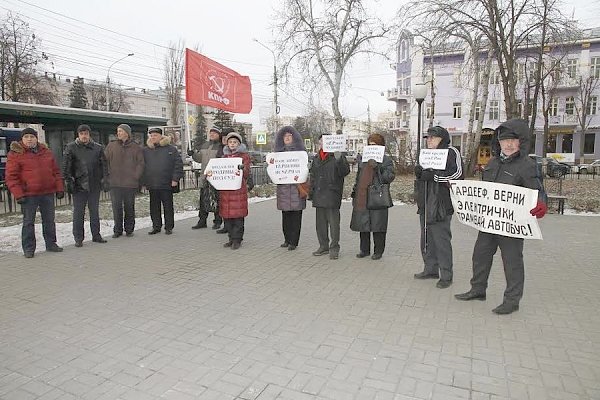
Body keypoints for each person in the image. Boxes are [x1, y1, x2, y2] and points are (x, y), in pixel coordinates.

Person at [455, 118, 547, 315]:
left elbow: (537, 190)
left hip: (512, 224)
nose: (508, 144)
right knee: (480, 255)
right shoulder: (493, 162)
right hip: (489, 221)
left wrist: (541, 204)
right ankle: (478, 289)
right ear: (499, 142)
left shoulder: (526, 165)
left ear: (520, 142)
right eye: (504, 140)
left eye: (513, 140)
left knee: (512, 261)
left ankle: (512, 300)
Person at [413, 126, 464, 288]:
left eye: (433, 138)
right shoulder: (426, 154)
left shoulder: (451, 152)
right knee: (427, 238)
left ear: (442, 139)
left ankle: (446, 274)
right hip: (425, 201)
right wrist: (420, 174)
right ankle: (430, 268)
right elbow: (423, 177)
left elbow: (457, 175)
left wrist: (435, 176)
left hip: (441, 203)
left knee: (441, 240)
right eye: (428, 138)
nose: (429, 141)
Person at [5, 127, 64, 258]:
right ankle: (29, 248)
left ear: (36, 138)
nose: (29, 139)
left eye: (32, 137)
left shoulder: (46, 152)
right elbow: (11, 177)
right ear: (22, 139)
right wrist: (18, 194)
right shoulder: (15, 154)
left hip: (47, 192)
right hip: (28, 195)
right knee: (28, 222)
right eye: (26, 137)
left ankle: (51, 243)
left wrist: (59, 188)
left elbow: (56, 172)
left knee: (49, 221)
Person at [350, 133, 395, 260]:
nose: (371, 147)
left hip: (377, 196)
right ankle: (364, 249)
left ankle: (378, 251)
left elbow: (389, 177)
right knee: (363, 223)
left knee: (378, 224)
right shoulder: (364, 159)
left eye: (374, 145)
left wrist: (378, 167)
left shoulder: (386, 160)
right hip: (363, 194)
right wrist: (355, 190)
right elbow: (359, 177)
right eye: (369, 144)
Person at [62, 124, 109, 247]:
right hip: (79, 185)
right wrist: (69, 181)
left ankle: (96, 235)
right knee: (78, 213)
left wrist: (104, 179)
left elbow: (104, 165)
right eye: (82, 134)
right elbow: (66, 167)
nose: (84, 136)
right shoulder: (71, 148)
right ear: (78, 135)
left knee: (94, 212)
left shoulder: (98, 148)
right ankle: (78, 238)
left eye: (86, 134)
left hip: (94, 184)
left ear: (89, 135)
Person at [309, 134, 350, 260]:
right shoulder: (316, 158)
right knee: (320, 225)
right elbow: (313, 176)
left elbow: (344, 172)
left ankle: (334, 248)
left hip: (332, 194)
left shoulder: (337, 156)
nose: (322, 143)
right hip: (319, 194)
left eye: (325, 141)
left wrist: (339, 160)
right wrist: (311, 192)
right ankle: (323, 246)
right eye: (321, 141)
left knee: (334, 224)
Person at [104, 123, 144, 238]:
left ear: (127, 133)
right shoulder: (111, 146)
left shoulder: (135, 147)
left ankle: (129, 229)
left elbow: (140, 163)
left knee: (129, 207)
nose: (118, 133)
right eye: (118, 131)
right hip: (115, 183)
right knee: (116, 208)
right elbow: (104, 162)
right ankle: (117, 230)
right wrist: (107, 176)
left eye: (121, 131)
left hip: (129, 184)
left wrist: (135, 176)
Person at [143, 127, 184, 235]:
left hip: (166, 183)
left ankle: (169, 227)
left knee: (168, 206)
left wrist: (175, 179)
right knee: (154, 207)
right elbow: (142, 166)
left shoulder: (171, 149)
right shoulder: (146, 150)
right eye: (151, 136)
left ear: (161, 136)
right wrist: (144, 181)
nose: (153, 137)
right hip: (152, 183)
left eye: (155, 135)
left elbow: (178, 164)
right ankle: (156, 226)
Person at [274, 126, 307, 251]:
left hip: (296, 189)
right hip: (283, 189)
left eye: (289, 136)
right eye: (285, 136)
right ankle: (287, 239)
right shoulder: (278, 154)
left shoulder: (300, 153)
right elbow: (274, 169)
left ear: (294, 138)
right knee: (285, 216)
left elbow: (305, 169)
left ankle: (294, 241)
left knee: (296, 216)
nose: (287, 138)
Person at [219, 132, 251, 250]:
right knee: (227, 217)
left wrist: (244, 169)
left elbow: (247, 173)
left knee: (237, 217)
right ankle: (231, 238)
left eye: (235, 142)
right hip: (225, 192)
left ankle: (237, 239)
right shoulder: (224, 157)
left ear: (239, 144)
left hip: (238, 191)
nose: (232, 144)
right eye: (230, 142)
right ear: (227, 144)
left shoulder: (244, 156)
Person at [189, 127, 224, 230]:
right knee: (203, 200)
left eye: (214, 133)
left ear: (219, 135)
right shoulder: (205, 145)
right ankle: (202, 221)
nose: (212, 135)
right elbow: (199, 159)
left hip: (216, 177)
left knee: (216, 200)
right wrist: (193, 154)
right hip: (205, 177)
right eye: (211, 133)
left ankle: (217, 221)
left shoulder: (221, 146)